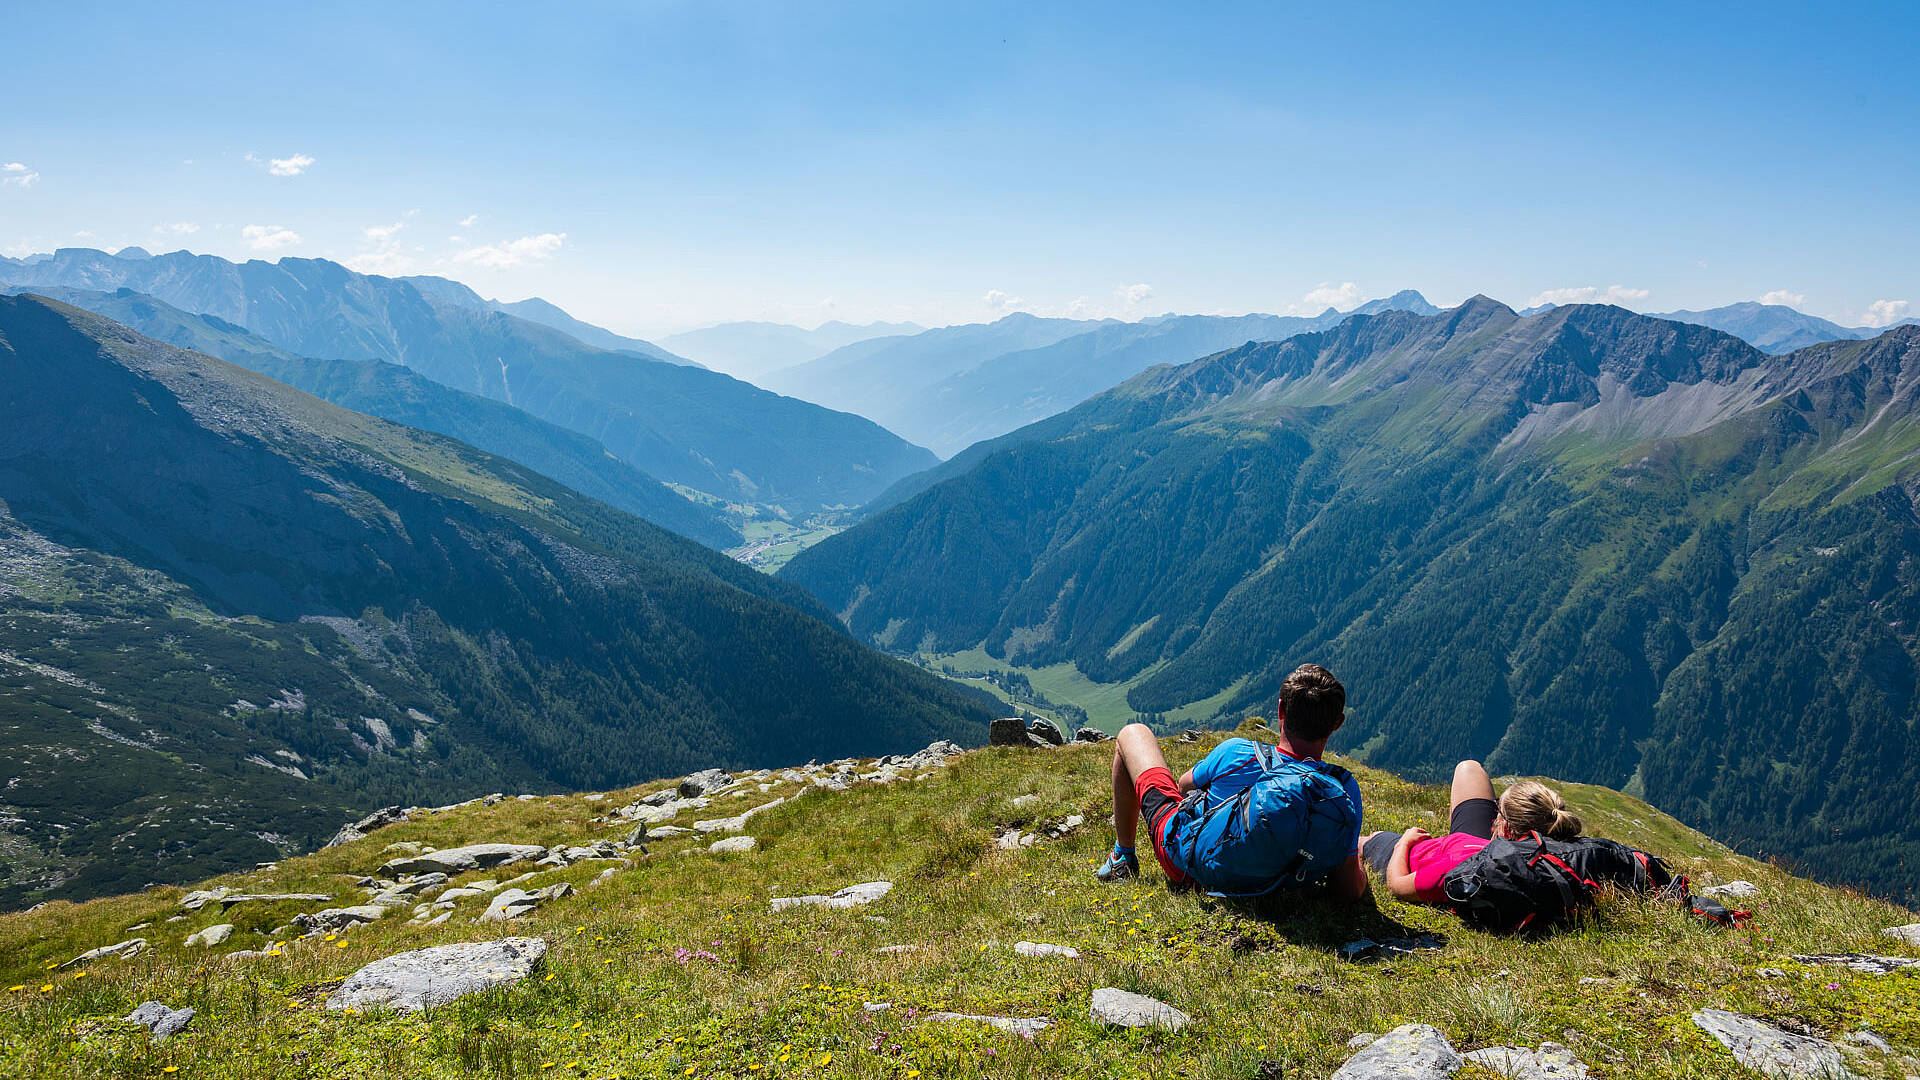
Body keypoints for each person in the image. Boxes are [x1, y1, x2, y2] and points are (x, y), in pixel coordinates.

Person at [1095, 663, 1369, 901]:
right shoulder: (1341, 788)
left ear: (1280, 710)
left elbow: (1183, 786)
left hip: (1192, 869)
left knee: (1133, 733)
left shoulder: (1236, 752)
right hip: (1273, 889)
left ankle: (1123, 856)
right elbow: (1348, 890)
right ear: (1337, 723)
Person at [1360, 760, 1583, 903]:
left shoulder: (1460, 867)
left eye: (1498, 811)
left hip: (1419, 855)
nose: (1492, 815)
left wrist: (1404, 842)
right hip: (1479, 844)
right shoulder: (1554, 861)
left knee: (1369, 839)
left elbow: (1397, 886)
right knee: (1469, 768)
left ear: (1505, 827)